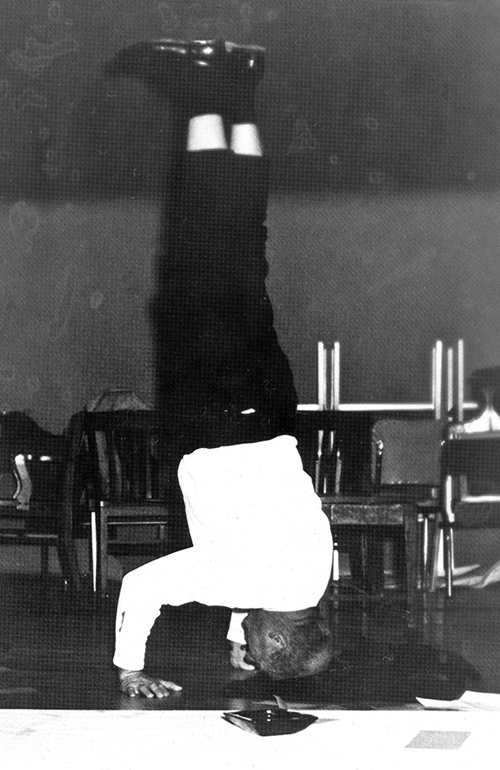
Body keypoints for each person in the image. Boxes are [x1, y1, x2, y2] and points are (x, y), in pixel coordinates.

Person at [106, 38, 333, 699]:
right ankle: (201, 91)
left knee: (241, 243)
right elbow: (142, 586)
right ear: (273, 639)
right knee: (196, 243)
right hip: (216, 410)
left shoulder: (315, 576)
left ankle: (240, 86)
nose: (251, 652)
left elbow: (265, 585)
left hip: (272, 406)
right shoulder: (242, 582)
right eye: (260, 652)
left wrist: (242, 633)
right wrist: (131, 667)